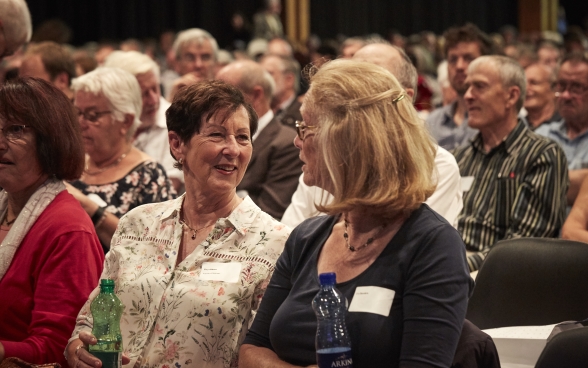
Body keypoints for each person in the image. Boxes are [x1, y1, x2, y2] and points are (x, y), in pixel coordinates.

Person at [240, 60, 472, 367]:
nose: (296, 140)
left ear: (346, 142)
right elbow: (252, 350)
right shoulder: (307, 237)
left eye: (304, 128)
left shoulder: (433, 244)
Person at [65, 80, 290, 368]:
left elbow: (264, 351)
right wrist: (77, 350)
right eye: (217, 135)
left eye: (243, 137)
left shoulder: (273, 243)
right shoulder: (137, 224)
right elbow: (89, 320)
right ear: (176, 144)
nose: (233, 149)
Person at [281, 42, 463, 228]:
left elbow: (414, 247)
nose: (352, 92)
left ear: (404, 100)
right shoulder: (325, 154)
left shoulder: (436, 165)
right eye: (349, 78)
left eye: (369, 83)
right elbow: (289, 236)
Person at [0, 77, 103, 366]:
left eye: (15, 130)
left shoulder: (68, 230)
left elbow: (58, 348)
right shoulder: (6, 206)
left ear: (51, 138)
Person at [454, 55, 568, 272]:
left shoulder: (542, 155)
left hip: (501, 275)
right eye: (467, 87)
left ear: (511, 96)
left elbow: (525, 245)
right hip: (450, 265)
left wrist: (457, 266)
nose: (468, 96)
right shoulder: (459, 158)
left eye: (479, 86)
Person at [68, 67, 176, 251]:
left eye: (92, 116)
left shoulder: (149, 176)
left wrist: (90, 208)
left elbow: (156, 251)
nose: (80, 123)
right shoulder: (68, 165)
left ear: (125, 121)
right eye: (77, 113)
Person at [217, 60, 302, 219]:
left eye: (224, 94)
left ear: (256, 95)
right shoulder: (214, 138)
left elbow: (269, 214)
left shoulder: (286, 143)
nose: (213, 102)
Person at [103, 50, 183, 191]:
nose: (153, 100)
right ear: (120, 97)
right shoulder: (107, 122)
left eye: (155, 89)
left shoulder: (176, 122)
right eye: (143, 94)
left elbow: (167, 192)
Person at [426, 23, 493, 150]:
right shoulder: (431, 123)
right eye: (453, 60)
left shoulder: (498, 121)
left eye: (468, 58)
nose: (459, 66)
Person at [536, 52, 588, 206]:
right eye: (561, 86)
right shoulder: (541, 135)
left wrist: (541, 181)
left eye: (576, 87)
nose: (565, 95)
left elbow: (532, 186)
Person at [168, 28, 218, 101]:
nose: (198, 65)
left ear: (215, 62)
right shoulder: (169, 95)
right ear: (178, 63)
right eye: (190, 57)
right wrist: (171, 101)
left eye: (205, 57)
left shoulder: (228, 100)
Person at [260, 53, 302, 128]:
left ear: (289, 80)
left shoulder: (304, 115)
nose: (263, 80)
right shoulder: (256, 112)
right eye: (261, 74)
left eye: (269, 73)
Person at [523, 62, 559, 130]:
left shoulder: (563, 125)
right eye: (523, 83)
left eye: (534, 83)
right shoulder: (518, 125)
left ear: (553, 88)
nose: (526, 88)